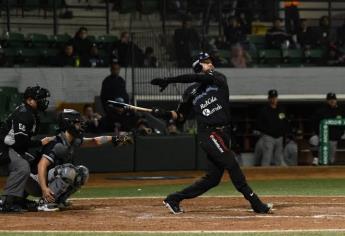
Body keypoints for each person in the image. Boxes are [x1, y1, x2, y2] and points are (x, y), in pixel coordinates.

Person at [150, 52, 272, 214]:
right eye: (206, 62)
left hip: (223, 133)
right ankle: (256, 203)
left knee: (212, 180)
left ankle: (174, 199)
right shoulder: (190, 93)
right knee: (231, 163)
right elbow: (180, 117)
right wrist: (164, 113)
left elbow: (198, 79)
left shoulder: (218, 78)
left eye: (209, 61)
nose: (211, 64)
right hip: (208, 134)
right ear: (198, 66)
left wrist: (169, 80)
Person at [25, 109, 133, 211]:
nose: (80, 126)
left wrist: (114, 138)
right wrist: (44, 189)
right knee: (69, 170)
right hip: (36, 181)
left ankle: (58, 200)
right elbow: (41, 165)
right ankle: (44, 203)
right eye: (77, 123)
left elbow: (94, 141)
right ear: (69, 124)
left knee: (82, 172)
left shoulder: (72, 140)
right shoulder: (57, 143)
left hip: (46, 179)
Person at [0, 86, 52, 212]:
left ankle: (19, 199)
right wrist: (40, 142)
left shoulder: (31, 113)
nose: (43, 101)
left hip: (12, 147)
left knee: (34, 164)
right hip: (4, 147)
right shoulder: (24, 114)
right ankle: (7, 202)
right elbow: (20, 141)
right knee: (22, 166)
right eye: (39, 99)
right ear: (29, 100)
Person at [256, 90, 288, 166]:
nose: (273, 100)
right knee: (267, 157)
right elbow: (259, 124)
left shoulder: (281, 109)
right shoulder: (264, 110)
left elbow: (285, 122)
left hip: (279, 137)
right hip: (268, 137)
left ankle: (278, 175)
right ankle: (264, 175)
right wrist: (266, 131)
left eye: (275, 98)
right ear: (269, 98)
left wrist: (284, 132)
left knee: (278, 158)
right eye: (272, 98)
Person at [310, 93, 344, 165]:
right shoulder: (321, 110)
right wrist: (318, 133)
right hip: (322, 136)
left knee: (330, 160)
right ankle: (316, 158)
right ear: (327, 101)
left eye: (333, 99)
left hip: (333, 138)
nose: (332, 101)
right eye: (330, 100)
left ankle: (329, 173)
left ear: (336, 100)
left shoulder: (341, 110)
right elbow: (314, 121)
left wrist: (340, 134)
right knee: (313, 139)